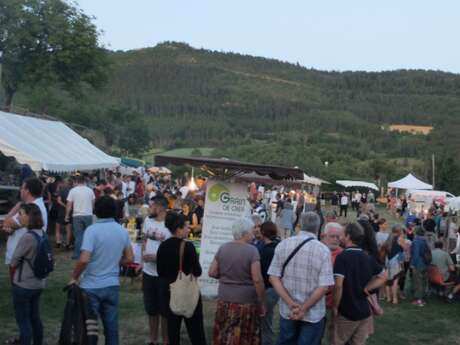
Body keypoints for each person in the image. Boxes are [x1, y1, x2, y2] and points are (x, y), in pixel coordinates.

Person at [69, 196, 134, 345]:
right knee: (111, 329)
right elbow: (130, 258)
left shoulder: (92, 231)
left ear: (96, 211)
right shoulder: (121, 231)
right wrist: (115, 261)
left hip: (91, 286)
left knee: (89, 331)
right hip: (112, 285)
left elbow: (84, 259)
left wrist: (74, 277)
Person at [268, 212, 334, 345]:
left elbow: (273, 277)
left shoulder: (283, 245)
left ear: (299, 225)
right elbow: (324, 286)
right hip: (313, 312)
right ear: (319, 226)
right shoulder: (323, 250)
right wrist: (303, 308)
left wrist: (291, 303)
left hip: (288, 309)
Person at [209, 218, 265, 345]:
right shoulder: (252, 250)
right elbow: (257, 279)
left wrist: (226, 278)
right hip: (245, 302)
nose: (253, 234)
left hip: (224, 299)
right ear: (245, 233)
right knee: (243, 336)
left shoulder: (223, 248)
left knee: (224, 334)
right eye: (251, 231)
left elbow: (212, 272)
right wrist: (261, 301)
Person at [333, 222, 387, 345]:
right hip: (364, 312)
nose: (339, 237)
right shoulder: (367, 257)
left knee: (338, 341)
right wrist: (368, 287)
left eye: (341, 234)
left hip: (347, 311)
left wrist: (335, 307)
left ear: (348, 236)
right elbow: (383, 276)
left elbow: (338, 285)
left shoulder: (342, 257)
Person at [157, 212, 207, 345]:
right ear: (178, 229)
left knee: (173, 332)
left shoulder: (163, 246)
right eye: (185, 226)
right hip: (188, 292)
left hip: (169, 292)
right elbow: (198, 271)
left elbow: (160, 272)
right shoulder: (188, 246)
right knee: (196, 331)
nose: (188, 228)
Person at [10, 204, 47, 345]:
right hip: (39, 283)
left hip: (24, 284)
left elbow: (14, 262)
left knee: (23, 321)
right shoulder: (42, 233)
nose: (19, 217)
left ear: (28, 216)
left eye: (21, 213)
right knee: (35, 317)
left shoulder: (28, 237)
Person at [142, 195, 171, 345]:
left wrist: (156, 258)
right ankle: (153, 339)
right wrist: (142, 254)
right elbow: (145, 239)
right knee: (151, 309)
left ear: (160, 207)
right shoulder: (148, 221)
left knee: (165, 310)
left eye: (152, 206)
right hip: (148, 273)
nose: (149, 208)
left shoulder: (170, 224)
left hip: (164, 274)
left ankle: (166, 340)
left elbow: (174, 250)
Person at [3, 178, 48, 270]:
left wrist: (17, 206)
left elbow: (7, 222)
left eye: (22, 188)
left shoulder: (31, 208)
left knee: (20, 283)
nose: (20, 190)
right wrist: (11, 229)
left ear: (27, 191)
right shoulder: (33, 206)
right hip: (26, 255)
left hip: (22, 258)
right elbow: (16, 226)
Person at [321, 222, 344, 344]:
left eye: (338, 237)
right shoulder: (317, 250)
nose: (335, 239)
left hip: (334, 303)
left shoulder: (344, 255)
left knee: (332, 334)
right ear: (324, 235)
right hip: (315, 302)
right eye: (332, 236)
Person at [259, 221, 281, 345]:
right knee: (268, 318)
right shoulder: (278, 246)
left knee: (265, 322)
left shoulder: (265, 251)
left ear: (263, 233)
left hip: (268, 288)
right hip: (275, 288)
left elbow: (261, 274)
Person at [65, 175, 95, 260]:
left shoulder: (73, 191)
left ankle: (77, 254)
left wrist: (67, 215)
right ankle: (88, 254)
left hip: (77, 216)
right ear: (85, 181)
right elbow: (93, 203)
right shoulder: (90, 190)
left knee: (78, 235)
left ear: (77, 181)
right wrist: (91, 211)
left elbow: (69, 205)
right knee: (88, 235)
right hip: (88, 214)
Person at [382, 225, 406, 304]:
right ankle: (395, 299)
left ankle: (389, 298)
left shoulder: (388, 238)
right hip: (396, 260)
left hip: (388, 260)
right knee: (395, 280)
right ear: (399, 231)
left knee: (388, 280)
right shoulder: (400, 239)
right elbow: (405, 248)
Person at [410, 226, 430, 307]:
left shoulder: (416, 241)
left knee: (418, 282)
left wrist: (412, 264)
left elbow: (416, 254)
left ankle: (419, 300)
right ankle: (423, 298)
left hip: (418, 264)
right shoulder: (424, 240)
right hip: (425, 263)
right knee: (424, 281)